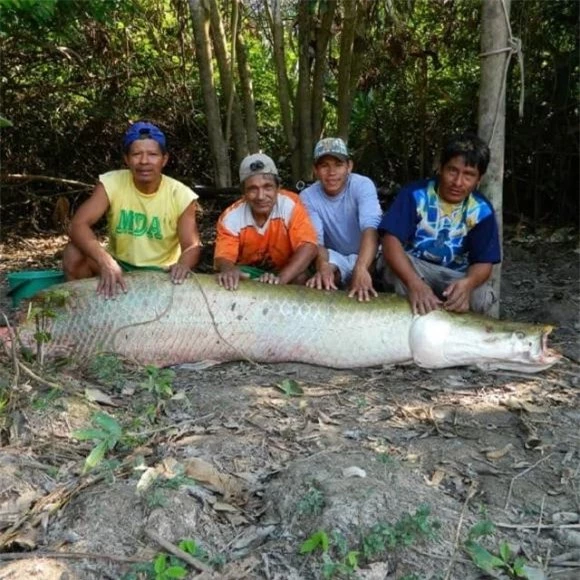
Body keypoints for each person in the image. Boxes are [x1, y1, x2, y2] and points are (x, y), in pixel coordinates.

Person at [62, 121, 202, 298]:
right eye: (136, 154)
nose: (144, 161)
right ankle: (80, 311)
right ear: (127, 159)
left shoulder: (180, 194)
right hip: (120, 266)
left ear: (164, 159)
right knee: (73, 252)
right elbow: (78, 225)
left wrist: (183, 265)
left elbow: (192, 245)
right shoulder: (111, 183)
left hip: (161, 272)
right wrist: (105, 261)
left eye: (152, 154)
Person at [379, 132, 500, 315]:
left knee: (482, 295)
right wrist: (415, 284)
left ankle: (454, 336)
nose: (458, 182)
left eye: (468, 175)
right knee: (393, 271)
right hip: (415, 266)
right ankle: (407, 327)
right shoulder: (415, 194)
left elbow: (484, 262)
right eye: (452, 171)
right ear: (441, 168)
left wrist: (467, 285)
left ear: (478, 180)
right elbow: (390, 242)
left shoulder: (482, 210)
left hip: (453, 275)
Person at [214, 153, 318, 290]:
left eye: (267, 187)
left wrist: (278, 281)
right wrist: (229, 270)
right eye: (252, 189)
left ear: (278, 188)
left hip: (286, 271)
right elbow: (223, 257)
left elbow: (308, 246)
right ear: (243, 192)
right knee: (229, 278)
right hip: (249, 274)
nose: (261, 196)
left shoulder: (290, 204)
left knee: (301, 277)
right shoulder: (231, 217)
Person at [300, 137, 383, 302]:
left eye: (338, 165)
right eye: (324, 166)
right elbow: (317, 242)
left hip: (368, 252)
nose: (331, 173)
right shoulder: (307, 196)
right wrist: (323, 268)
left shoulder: (362, 185)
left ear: (349, 166)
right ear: (315, 170)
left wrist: (361, 268)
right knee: (325, 278)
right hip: (335, 256)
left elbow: (371, 228)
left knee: (365, 277)